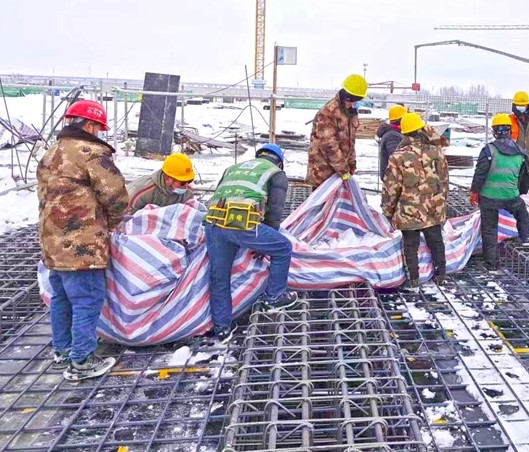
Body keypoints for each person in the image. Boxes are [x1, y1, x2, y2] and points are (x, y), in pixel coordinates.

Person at [37, 100, 129, 381]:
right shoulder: (91, 153)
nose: (99, 133)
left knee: (61, 298)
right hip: (82, 246)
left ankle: (63, 350)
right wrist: (112, 224)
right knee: (87, 300)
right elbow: (115, 195)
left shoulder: (50, 153)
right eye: (99, 128)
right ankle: (81, 361)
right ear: (90, 126)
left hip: (52, 241)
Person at [205, 144, 296, 343]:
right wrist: (264, 243)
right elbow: (274, 213)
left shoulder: (234, 168)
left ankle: (222, 327)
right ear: (279, 161)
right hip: (242, 224)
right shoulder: (276, 173)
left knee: (219, 276)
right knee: (283, 248)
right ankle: (273, 297)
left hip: (213, 222)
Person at [381, 113, 449, 287]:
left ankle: (413, 280)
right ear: (421, 129)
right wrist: (441, 203)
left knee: (410, 246)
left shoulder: (398, 157)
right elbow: (444, 181)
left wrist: (388, 211)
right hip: (433, 208)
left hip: (408, 211)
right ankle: (441, 275)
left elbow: (391, 188)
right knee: (436, 241)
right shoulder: (437, 152)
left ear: (404, 133)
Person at [469, 114, 529, 271]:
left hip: (489, 198)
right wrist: (519, 192)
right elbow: (525, 176)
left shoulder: (488, 150)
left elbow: (480, 174)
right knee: (522, 214)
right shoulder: (521, 152)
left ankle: (491, 265)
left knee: (490, 230)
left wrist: (474, 193)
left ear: (494, 131)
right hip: (511, 196)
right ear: (510, 130)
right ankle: (527, 237)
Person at [306, 74, 366, 188]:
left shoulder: (351, 113)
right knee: (322, 205)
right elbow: (328, 144)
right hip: (323, 174)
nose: (358, 103)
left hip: (340, 172)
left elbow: (351, 141)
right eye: (357, 100)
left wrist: (351, 165)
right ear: (349, 98)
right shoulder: (328, 112)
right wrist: (343, 170)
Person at [126, 153, 196, 214]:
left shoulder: (188, 193)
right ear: (168, 179)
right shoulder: (140, 191)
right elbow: (124, 219)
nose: (187, 185)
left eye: (189, 180)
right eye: (183, 182)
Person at [377, 104, 407, 179]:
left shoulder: (395, 133)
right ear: (400, 120)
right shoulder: (392, 136)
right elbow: (396, 157)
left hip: (394, 176)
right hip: (392, 178)